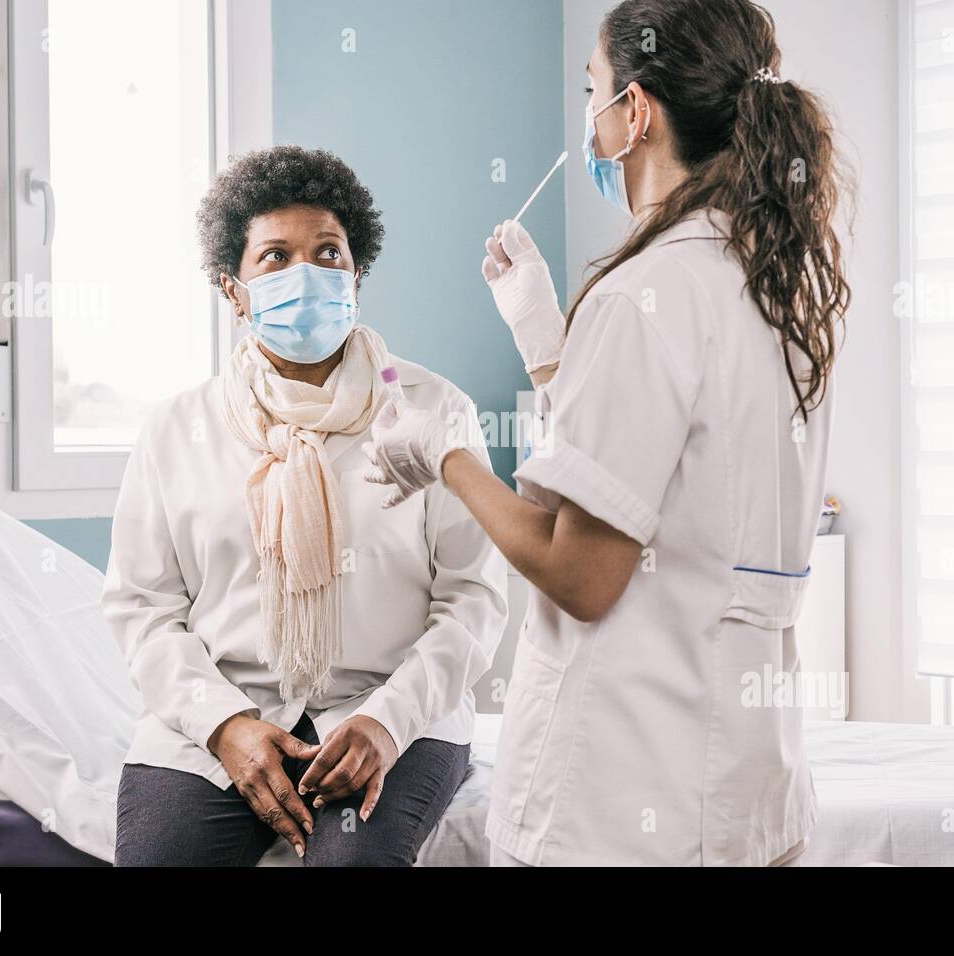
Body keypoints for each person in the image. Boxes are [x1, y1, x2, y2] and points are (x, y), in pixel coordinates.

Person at [364, 0, 851, 866]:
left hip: (624, 797)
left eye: (593, 91)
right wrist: (549, 345)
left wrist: (449, 455)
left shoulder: (644, 296)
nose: (587, 121)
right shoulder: (773, 284)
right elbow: (662, 470)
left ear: (636, 112)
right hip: (748, 785)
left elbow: (582, 574)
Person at [104, 145, 507, 866]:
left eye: (328, 252)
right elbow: (143, 608)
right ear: (233, 289)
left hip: (389, 717)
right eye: (276, 258)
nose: (308, 276)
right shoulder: (176, 430)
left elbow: (473, 598)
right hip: (219, 719)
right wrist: (224, 725)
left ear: (357, 273)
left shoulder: (431, 411)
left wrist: (388, 720)